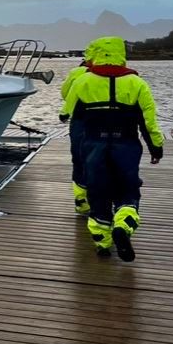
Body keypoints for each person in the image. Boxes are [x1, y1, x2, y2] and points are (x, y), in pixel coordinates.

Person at [60, 36, 163, 262]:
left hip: (94, 145)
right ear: (122, 54)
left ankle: (102, 243)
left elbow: (65, 112)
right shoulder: (137, 83)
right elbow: (149, 121)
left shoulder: (83, 81)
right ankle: (123, 226)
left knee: (98, 193)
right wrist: (156, 147)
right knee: (128, 189)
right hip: (126, 145)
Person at [59, 42, 96, 216]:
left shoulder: (76, 73)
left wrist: (66, 112)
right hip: (107, 123)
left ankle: (82, 201)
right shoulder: (118, 75)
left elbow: (65, 93)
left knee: (79, 159)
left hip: (80, 120)